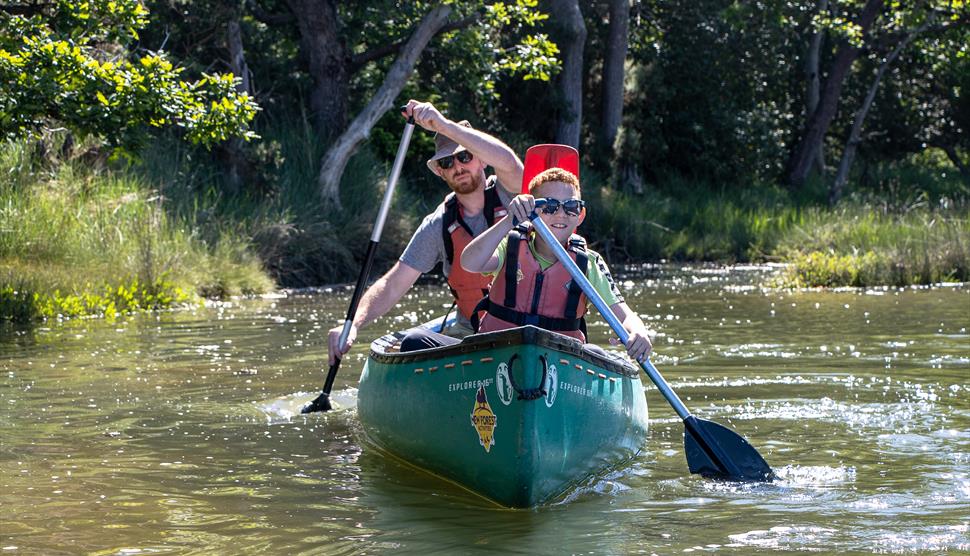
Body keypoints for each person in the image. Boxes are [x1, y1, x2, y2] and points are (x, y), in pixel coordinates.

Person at [327, 100, 523, 365]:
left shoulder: (510, 193)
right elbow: (393, 284)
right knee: (413, 343)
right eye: (447, 162)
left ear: (482, 160)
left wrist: (443, 125)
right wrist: (353, 323)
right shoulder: (438, 224)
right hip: (472, 333)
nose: (458, 167)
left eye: (465, 157)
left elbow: (510, 163)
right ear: (440, 172)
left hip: (525, 327)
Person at [461, 166, 653, 362]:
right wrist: (509, 221)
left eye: (571, 206)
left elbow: (624, 315)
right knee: (437, 341)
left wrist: (638, 331)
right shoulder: (509, 246)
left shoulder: (589, 263)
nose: (561, 214)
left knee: (597, 352)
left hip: (560, 361)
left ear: (580, 215)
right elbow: (469, 262)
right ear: (531, 211)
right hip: (496, 353)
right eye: (550, 205)